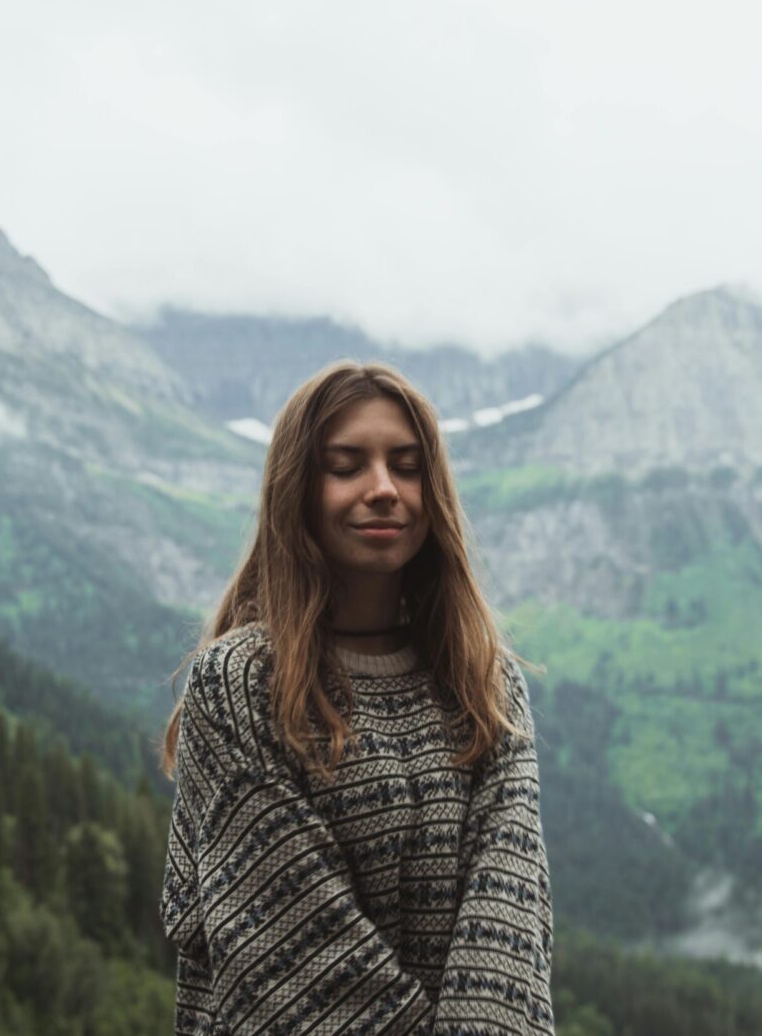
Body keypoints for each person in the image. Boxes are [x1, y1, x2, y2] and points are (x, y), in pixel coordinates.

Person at [159, 361, 555, 1034]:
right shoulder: (238, 686)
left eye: (406, 466)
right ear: (299, 490)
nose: (383, 489)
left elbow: (508, 921)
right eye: (346, 465)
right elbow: (294, 950)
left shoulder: (485, 684)